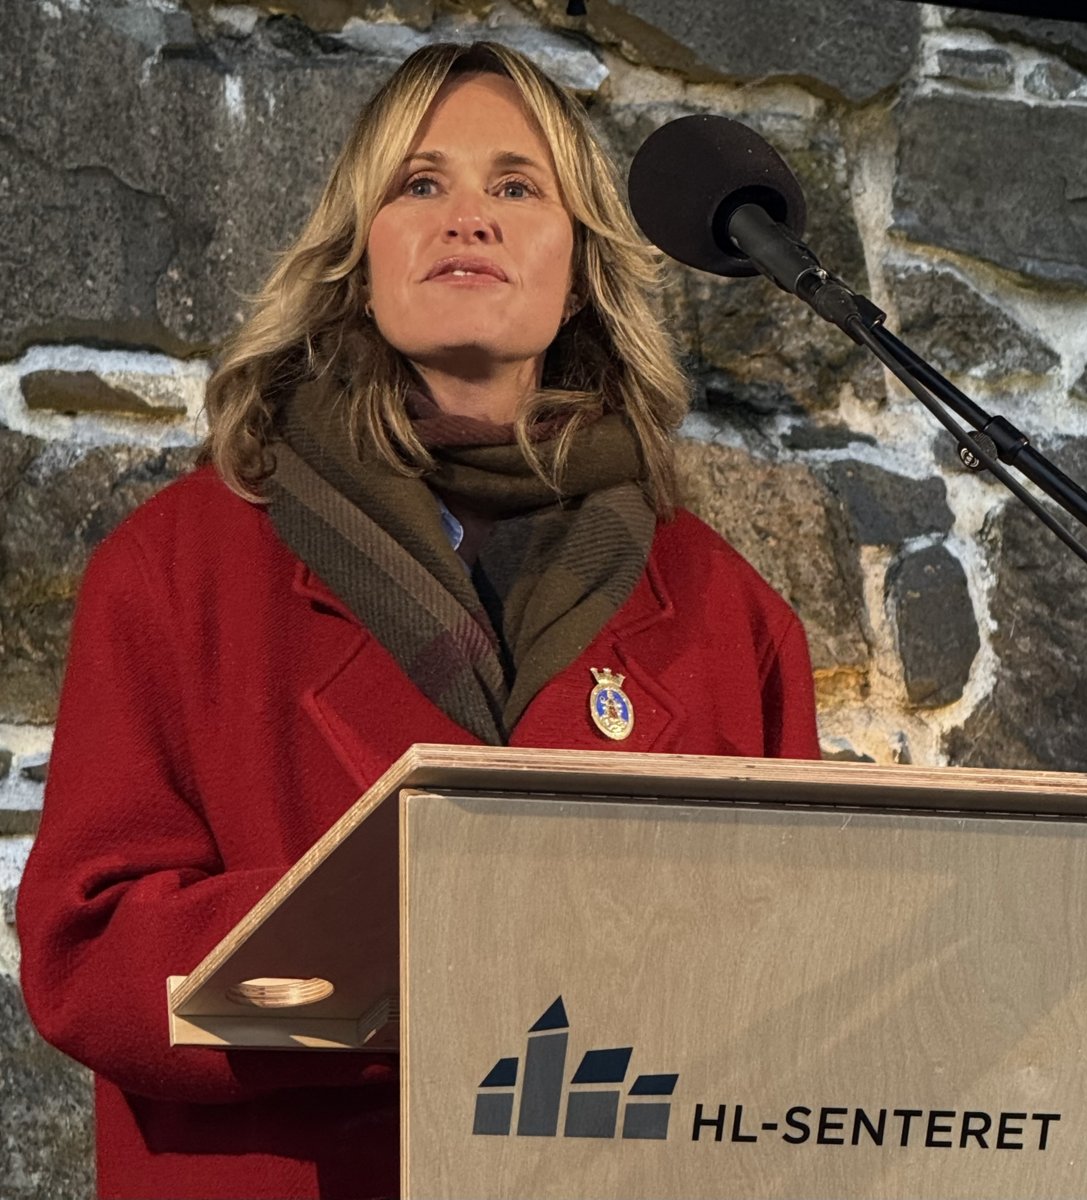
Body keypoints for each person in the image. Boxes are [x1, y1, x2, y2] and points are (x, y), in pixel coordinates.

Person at [17, 40, 819, 1200]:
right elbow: (86, 955)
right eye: (418, 184)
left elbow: (800, 966)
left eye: (515, 187)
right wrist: (420, 939)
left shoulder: (724, 612)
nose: (468, 220)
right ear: (358, 254)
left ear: (580, 264)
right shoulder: (176, 567)